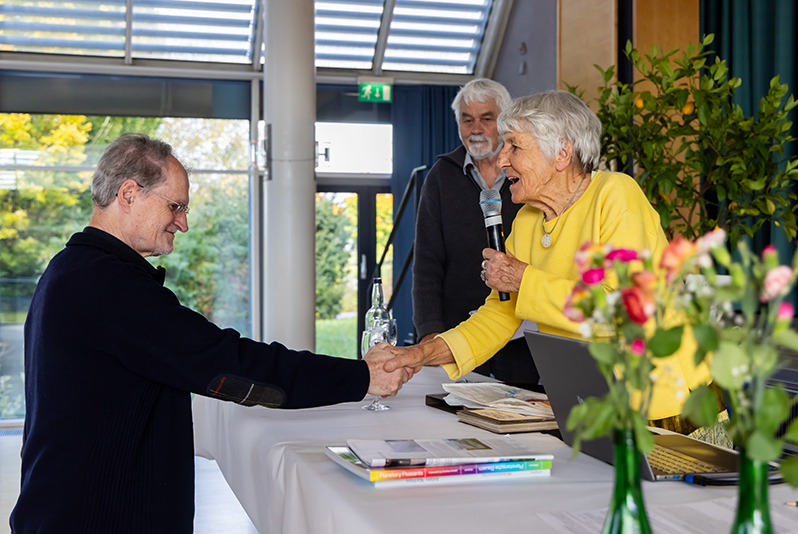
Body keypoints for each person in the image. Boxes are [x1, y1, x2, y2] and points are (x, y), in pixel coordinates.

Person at [10, 133, 409, 533]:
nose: (183, 223)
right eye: (176, 206)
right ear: (129, 194)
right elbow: (228, 363)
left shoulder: (71, 268)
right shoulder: (111, 286)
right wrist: (362, 376)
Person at [389, 90, 712, 428]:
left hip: (666, 405)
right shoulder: (528, 220)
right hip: (592, 402)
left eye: (515, 146)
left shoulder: (616, 194)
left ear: (561, 153)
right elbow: (499, 316)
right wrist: (420, 353)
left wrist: (523, 279)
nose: (501, 160)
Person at [412, 78, 538, 388]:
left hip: (523, 335)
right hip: (460, 334)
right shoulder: (441, 177)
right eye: (467, 120)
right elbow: (427, 263)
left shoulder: (528, 177)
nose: (476, 129)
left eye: (486, 118)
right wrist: (430, 331)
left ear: (505, 121)